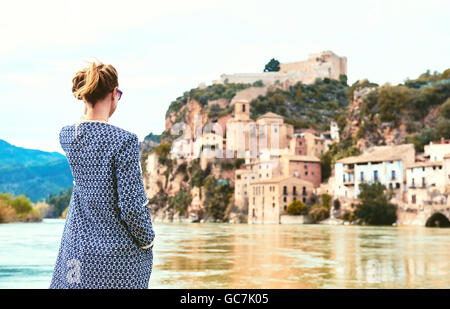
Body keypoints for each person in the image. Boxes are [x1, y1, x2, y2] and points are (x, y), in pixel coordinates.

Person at [49, 61, 155, 289]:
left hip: (77, 250)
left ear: (85, 95)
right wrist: (148, 241)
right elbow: (132, 206)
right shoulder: (124, 141)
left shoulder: (68, 136)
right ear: (114, 94)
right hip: (117, 258)